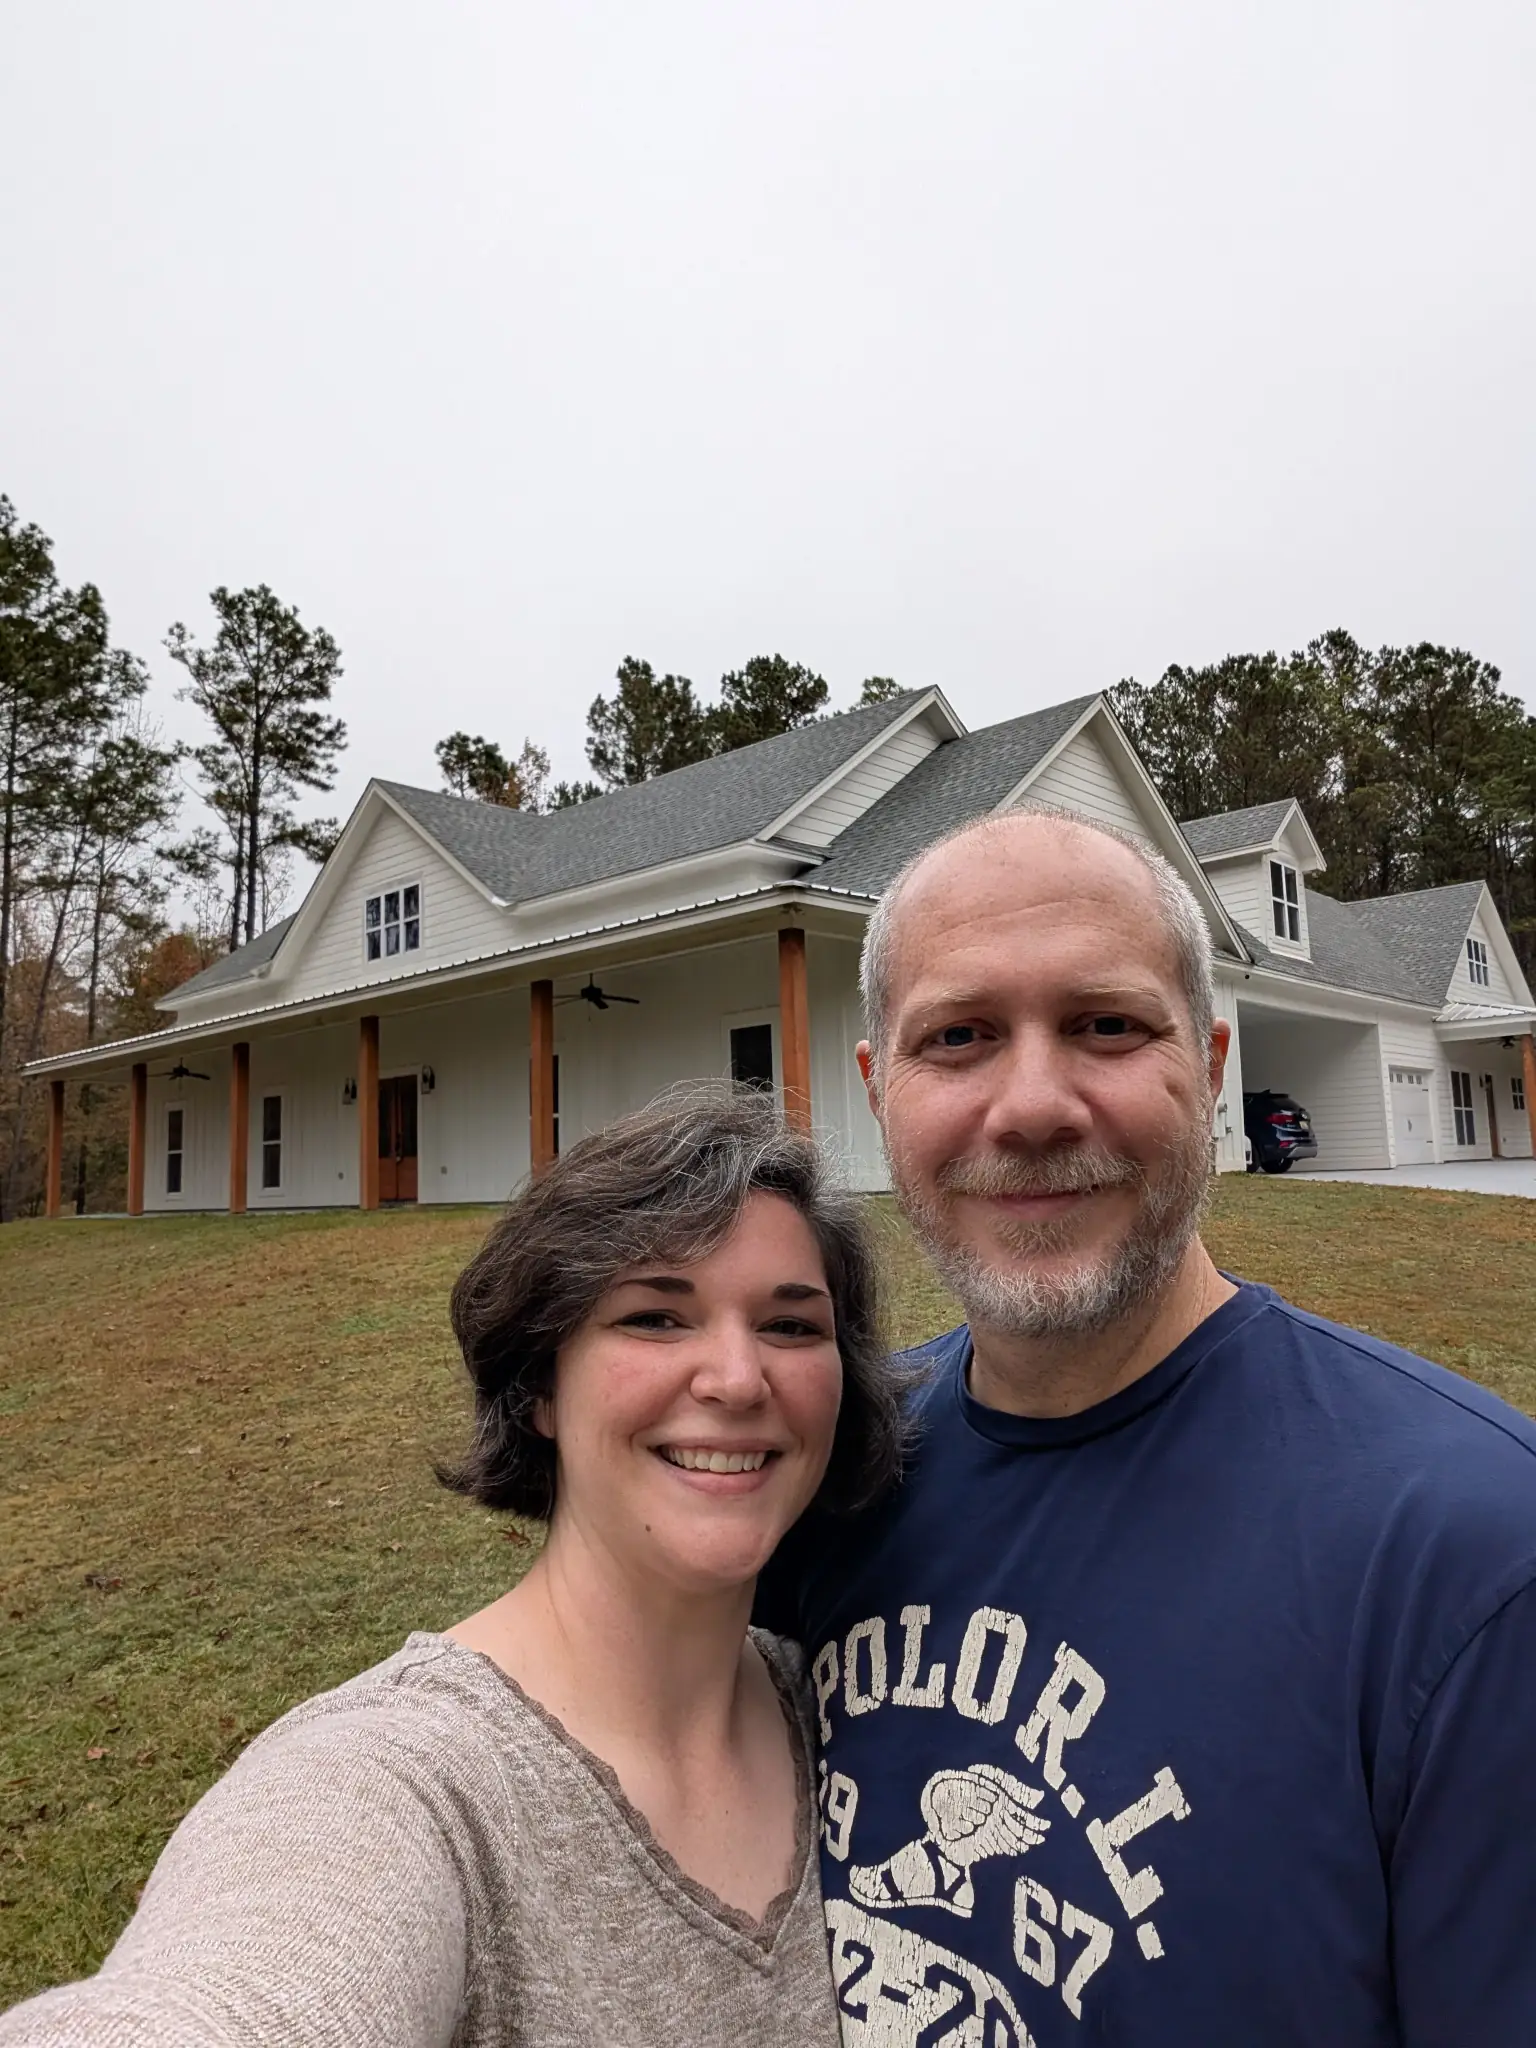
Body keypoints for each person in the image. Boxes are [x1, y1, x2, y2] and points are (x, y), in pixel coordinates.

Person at [759, 804, 1536, 2046]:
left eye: (1105, 1025)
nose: (1031, 1105)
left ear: (1212, 1065)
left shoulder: (1471, 1556)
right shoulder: (816, 1477)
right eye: (956, 1036)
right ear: (878, 1090)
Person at [2, 1085, 903, 2047]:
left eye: (791, 1326)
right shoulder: (402, 1785)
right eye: (654, 1317)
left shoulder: (864, 1711)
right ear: (540, 1389)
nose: (736, 1378)